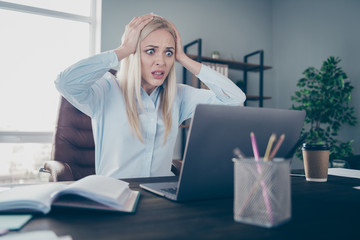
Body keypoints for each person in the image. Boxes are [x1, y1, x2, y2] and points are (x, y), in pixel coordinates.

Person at [55, 13, 246, 178]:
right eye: (150, 51)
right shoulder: (106, 89)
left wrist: (184, 59)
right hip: (115, 198)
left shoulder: (179, 96)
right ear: (134, 53)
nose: (161, 61)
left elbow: (234, 100)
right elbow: (65, 82)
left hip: (159, 200)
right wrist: (124, 50)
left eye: (168, 53)